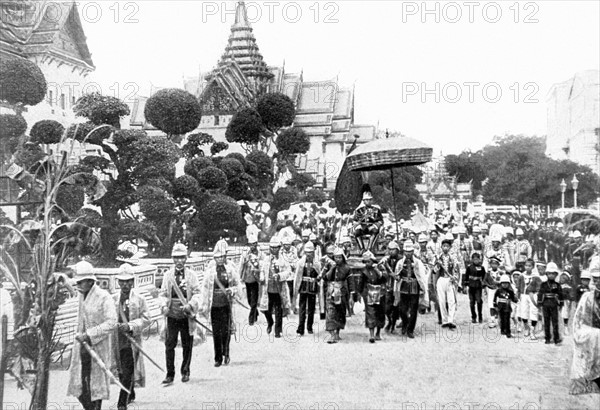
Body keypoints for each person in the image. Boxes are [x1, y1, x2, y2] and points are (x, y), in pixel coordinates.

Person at [67, 261, 117, 410]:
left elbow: (112, 322)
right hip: (81, 349)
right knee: (80, 388)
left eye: (80, 282)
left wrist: (89, 335)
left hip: (97, 348)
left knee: (95, 388)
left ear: (89, 281)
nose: (78, 285)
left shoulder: (103, 297)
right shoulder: (82, 296)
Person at [158, 243, 201, 384]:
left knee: (187, 344)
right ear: (172, 259)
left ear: (186, 258)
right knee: (169, 344)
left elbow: (197, 293)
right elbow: (163, 293)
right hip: (172, 313)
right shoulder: (168, 275)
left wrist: (190, 305)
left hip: (186, 314)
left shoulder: (191, 275)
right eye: (176, 258)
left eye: (182, 258)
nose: (179, 261)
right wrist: (164, 305)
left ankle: (185, 371)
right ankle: (170, 374)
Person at [112, 264, 150, 410]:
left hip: (132, 341)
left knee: (128, 369)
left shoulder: (139, 299)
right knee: (122, 370)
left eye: (128, 281)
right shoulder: (113, 299)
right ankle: (130, 391)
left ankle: (122, 402)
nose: (125, 284)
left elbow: (146, 318)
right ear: (118, 282)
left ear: (133, 282)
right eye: (122, 281)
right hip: (117, 341)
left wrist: (131, 326)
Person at [199, 241, 242, 367]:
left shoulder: (230, 270)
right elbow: (205, 288)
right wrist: (203, 305)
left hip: (226, 304)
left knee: (226, 330)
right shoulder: (210, 271)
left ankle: (226, 353)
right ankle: (217, 357)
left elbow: (237, 285)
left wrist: (232, 290)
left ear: (225, 257)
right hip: (214, 305)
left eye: (222, 257)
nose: (219, 259)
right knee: (216, 332)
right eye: (217, 257)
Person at [569, 268, 600, 395]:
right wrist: (580, 334)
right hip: (591, 334)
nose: (598, 282)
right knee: (587, 360)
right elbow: (578, 318)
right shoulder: (587, 297)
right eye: (596, 279)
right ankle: (586, 385)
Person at [394, 241, 428, 338]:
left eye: (410, 251)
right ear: (403, 252)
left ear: (413, 251)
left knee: (413, 309)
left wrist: (422, 288)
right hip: (403, 287)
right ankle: (405, 323)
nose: (408, 253)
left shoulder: (418, 262)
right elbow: (398, 274)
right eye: (406, 251)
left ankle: (410, 330)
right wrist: (397, 277)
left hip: (414, 287)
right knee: (402, 309)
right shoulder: (400, 263)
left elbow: (421, 275)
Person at [259, 237, 292, 338]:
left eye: (276, 248)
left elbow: (288, 272)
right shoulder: (266, 259)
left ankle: (278, 330)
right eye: (272, 248)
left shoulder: (283, 260)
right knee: (266, 309)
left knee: (279, 309)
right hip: (268, 288)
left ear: (279, 248)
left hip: (279, 288)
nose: (274, 250)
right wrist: (262, 277)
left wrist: (280, 276)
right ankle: (270, 322)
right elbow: (262, 270)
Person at [319, 247, 351, 343]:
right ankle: (332, 334)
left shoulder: (347, 268)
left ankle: (337, 332)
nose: (338, 259)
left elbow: (350, 281)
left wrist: (352, 294)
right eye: (336, 257)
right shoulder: (329, 266)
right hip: (330, 291)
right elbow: (326, 278)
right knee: (330, 312)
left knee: (340, 312)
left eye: (339, 257)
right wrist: (332, 268)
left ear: (343, 258)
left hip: (341, 292)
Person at [293, 241, 321, 336]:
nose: (309, 254)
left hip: (312, 287)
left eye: (310, 252)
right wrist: (297, 287)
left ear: (313, 252)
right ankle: (300, 328)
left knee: (311, 309)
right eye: (307, 252)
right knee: (302, 308)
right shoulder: (301, 263)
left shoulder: (317, 262)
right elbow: (297, 276)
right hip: (303, 287)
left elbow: (319, 274)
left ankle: (309, 326)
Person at [359, 251, 387, 343]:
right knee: (370, 313)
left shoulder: (380, 268)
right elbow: (361, 284)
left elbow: (385, 278)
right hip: (369, 292)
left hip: (380, 292)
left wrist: (378, 271)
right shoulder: (363, 271)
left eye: (369, 261)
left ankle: (378, 333)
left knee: (380, 312)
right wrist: (361, 293)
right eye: (366, 262)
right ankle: (371, 335)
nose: (367, 263)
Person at [434, 236, 460, 329]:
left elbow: (456, 270)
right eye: (444, 246)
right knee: (441, 301)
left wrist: (455, 278)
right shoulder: (438, 258)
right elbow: (434, 270)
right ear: (441, 247)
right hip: (441, 280)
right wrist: (437, 264)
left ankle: (451, 320)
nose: (445, 248)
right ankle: (444, 320)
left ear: (450, 248)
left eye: (447, 246)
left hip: (449, 280)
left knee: (451, 300)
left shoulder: (453, 258)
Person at [238, 232, 263, 325]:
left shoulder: (260, 254)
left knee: (254, 299)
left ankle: (251, 318)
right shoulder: (245, 254)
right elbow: (241, 266)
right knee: (249, 299)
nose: (252, 246)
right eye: (250, 244)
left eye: (254, 244)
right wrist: (239, 277)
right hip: (247, 278)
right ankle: (255, 311)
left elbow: (263, 265)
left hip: (256, 279)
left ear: (256, 244)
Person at [378, 241, 402, 332]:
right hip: (389, 285)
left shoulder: (401, 259)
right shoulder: (386, 259)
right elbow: (380, 267)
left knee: (397, 306)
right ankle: (390, 321)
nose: (391, 251)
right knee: (387, 307)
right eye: (390, 249)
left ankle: (393, 323)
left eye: (393, 250)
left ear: (397, 250)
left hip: (398, 286)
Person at [538, 262, 563, 344]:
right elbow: (540, 294)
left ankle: (556, 338)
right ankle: (547, 338)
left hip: (554, 304)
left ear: (556, 275)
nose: (551, 275)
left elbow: (560, 294)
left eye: (553, 274)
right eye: (549, 274)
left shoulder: (557, 285)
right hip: (545, 304)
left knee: (555, 322)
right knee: (546, 321)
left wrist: (561, 303)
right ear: (546, 274)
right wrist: (539, 304)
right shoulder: (543, 284)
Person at [517, 258, 541, 338]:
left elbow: (539, 287)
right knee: (524, 313)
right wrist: (518, 295)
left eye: (530, 266)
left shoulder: (535, 277)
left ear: (533, 267)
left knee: (533, 312)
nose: (528, 267)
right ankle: (526, 328)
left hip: (532, 295)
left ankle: (532, 330)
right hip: (523, 296)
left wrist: (536, 294)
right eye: (526, 265)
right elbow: (518, 287)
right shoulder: (521, 276)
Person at [463, 252, 486, 324]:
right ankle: (473, 316)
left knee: (479, 301)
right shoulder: (469, 267)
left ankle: (480, 316)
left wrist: (484, 285)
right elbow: (466, 277)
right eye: (474, 259)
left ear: (480, 260)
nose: (476, 261)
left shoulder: (482, 268)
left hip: (478, 286)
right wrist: (465, 286)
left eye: (477, 259)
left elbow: (484, 277)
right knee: (472, 302)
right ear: (472, 260)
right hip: (471, 286)